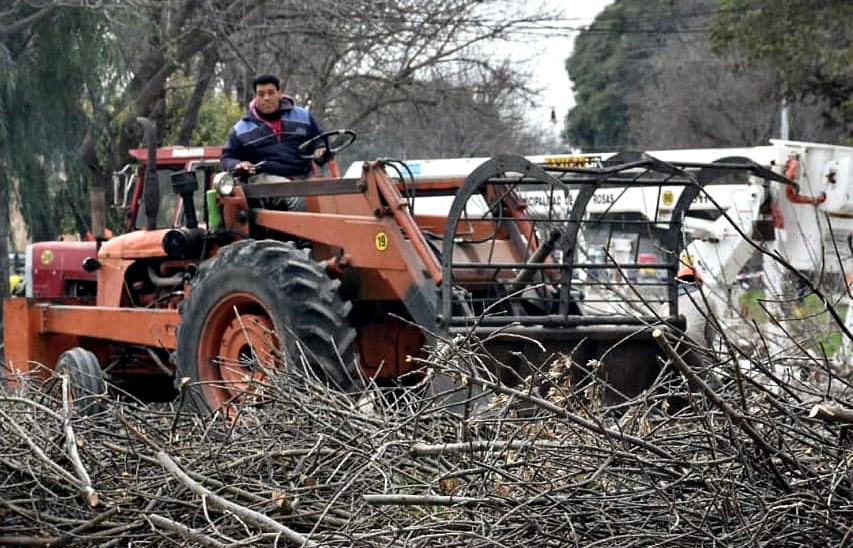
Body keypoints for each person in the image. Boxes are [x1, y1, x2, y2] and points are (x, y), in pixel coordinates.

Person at [221, 74, 326, 210]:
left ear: (279, 93)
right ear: (255, 97)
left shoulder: (303, 116)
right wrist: (238, 164)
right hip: (265, 178)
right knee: (296, 196)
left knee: (331, 194)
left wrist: (321, 148)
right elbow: (227, 157)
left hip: (302, 174)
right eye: (261, 94)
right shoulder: (242, 129)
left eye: (271, 93)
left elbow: (319, 139)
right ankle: (299, 230)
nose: (266, 98)